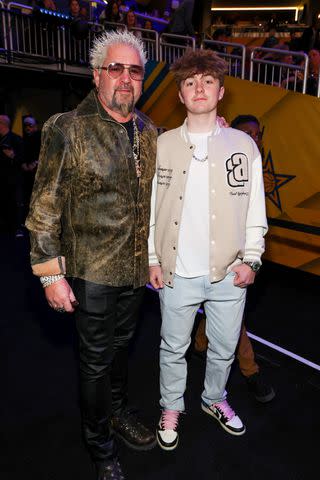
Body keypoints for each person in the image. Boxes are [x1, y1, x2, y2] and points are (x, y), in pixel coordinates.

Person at [26, 30, 157, 480]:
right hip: (91, 272)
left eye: (134, 70)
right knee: (95, 362)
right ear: (98, 75)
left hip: (134, 271)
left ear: (142, 80)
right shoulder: (68, 128)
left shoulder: (148, 131)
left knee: (121, 352)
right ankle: (100, 445)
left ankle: (117, 413)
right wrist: (49, 275)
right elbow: (44, 206)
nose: (125, 78)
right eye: (115, 68)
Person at [148, 49, 268, 451]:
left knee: (224, 347)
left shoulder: (243, 146)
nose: (199, 87)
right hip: (176, 272)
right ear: (180, 95)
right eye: (189, 82)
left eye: (208, 81)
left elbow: (255, 208)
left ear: (221, 91)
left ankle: (214, 399)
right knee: (173, 347)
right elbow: (150, 209)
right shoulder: (161, 144)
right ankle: (170, 406)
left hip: (229, 273)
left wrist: (252, 258)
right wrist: (152, 258)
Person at [194, 114, 275, 404]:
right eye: (246, 133)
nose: (253, 138)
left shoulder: (255, 167)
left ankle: (201, 341)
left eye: (257, 133)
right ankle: (250, 370)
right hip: (216, 249)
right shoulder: (219, 164)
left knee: (221, 306)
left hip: (248, 252)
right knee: (234, 316)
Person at [0, 115, 24, 235]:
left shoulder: (16, 139)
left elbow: (22, 159)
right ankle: (5, 226)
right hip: (2, 178)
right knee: (3, 203)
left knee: (13, 203)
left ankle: (16, 227)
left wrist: (12, 156)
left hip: (12, 179)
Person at [21, 115, 41, 223]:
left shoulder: (40, 136)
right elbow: (22, 155)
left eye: (30, 125)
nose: (27, 127)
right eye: (26, 125)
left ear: (35, 126)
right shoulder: (25, 139)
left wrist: (36, 163)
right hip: (27, 174)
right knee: (28, 198)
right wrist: (24, 164)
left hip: (38, 173)